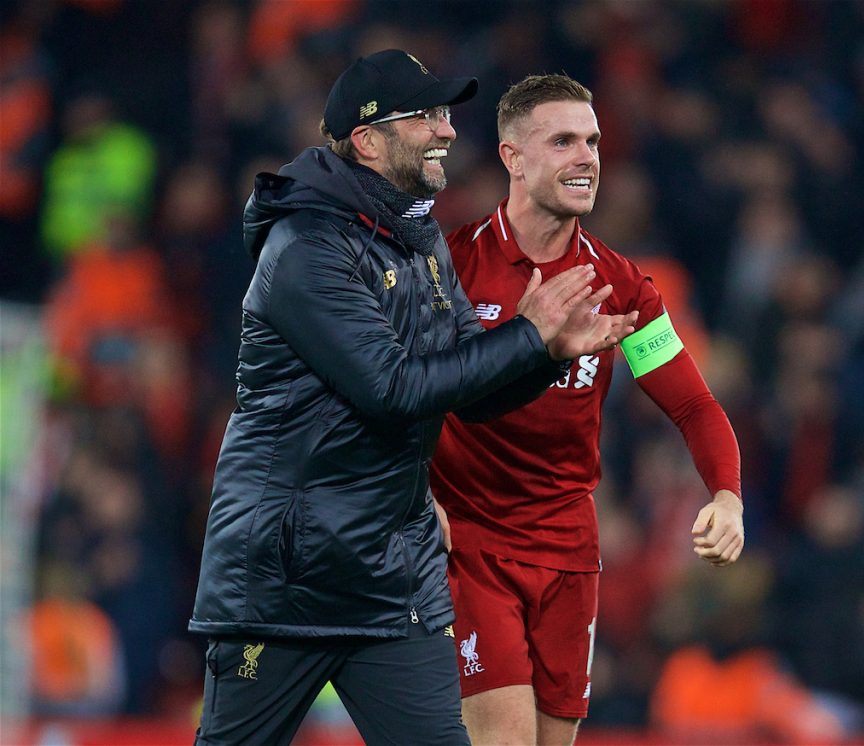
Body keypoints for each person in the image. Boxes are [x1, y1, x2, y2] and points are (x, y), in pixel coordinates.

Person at [189, 52, 636, 746]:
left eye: (445, 114)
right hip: (285, 585)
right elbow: (392, 390)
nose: (447, 131)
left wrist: (549, 352)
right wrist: (527, 335)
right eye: (425, 116)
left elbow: (470, 386)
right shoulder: (306, 248)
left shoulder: (419, 239)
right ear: (368, 140)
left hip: (392, 580)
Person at [429, 74, 744, 746]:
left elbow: (692, 402)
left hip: (570, 549)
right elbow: (394, 395)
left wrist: (727, 495)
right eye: (564, 140)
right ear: (513, 157)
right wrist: (412, 498)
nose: (587, 157)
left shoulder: (625, 287)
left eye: (594, 141)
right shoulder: (448, 265)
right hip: (472, 544)